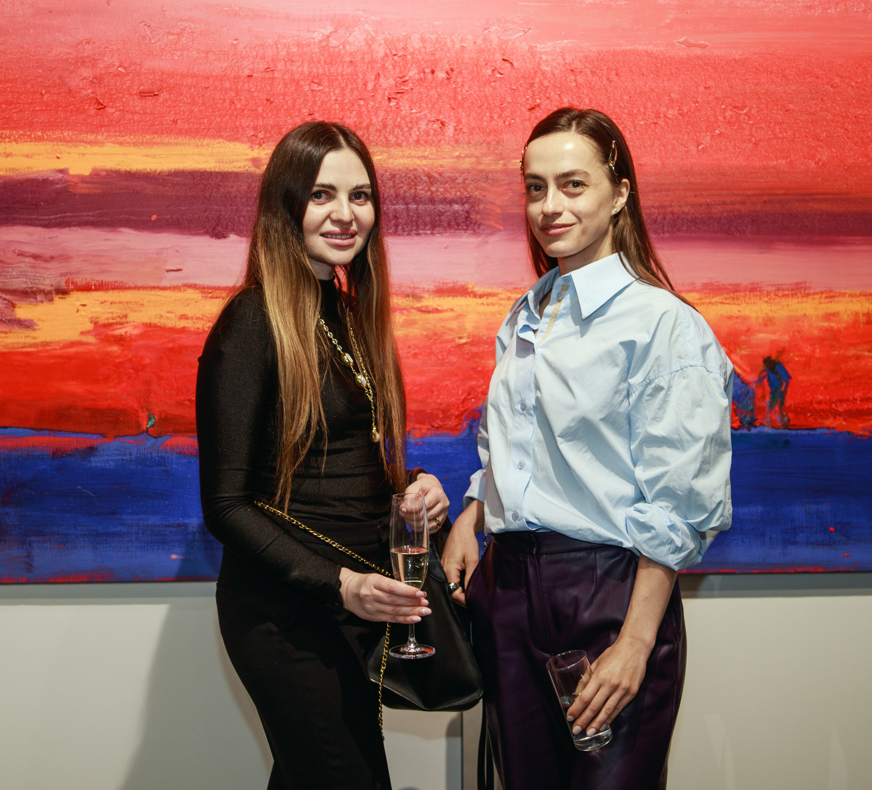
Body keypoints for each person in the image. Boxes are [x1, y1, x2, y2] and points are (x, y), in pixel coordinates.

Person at [442, 107, 733, 789]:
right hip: (509, 591)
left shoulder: (664, 325)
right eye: (535, 187)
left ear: (619, 193)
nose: (550, 206)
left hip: (610, 594)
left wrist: (636, 642)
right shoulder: (527, 314)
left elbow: (679, 504)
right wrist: (472, 514)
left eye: (573, 184)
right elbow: (514, 446)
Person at [196, 121, 450, 790]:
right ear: (286, 205)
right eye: (321, 194)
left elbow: (336, 462)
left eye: (360, 195)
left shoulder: (346, 312)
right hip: (285, 617)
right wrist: (341, 584)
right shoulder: (251, 321)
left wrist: (415, 485)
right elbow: (226, 506)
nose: (345, 213)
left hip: (351, 610)